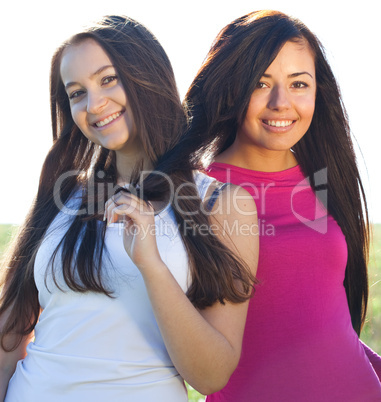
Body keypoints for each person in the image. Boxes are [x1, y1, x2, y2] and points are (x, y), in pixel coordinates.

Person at [0, 16, 259, 401]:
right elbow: (10, 331)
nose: (94, 104)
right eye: (76, 93)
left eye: (108, 79)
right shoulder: (63, 193)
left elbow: (211, 375)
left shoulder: (220, 203)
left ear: (147, 75)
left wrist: (152, 265)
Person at [184, 10, 381, 401]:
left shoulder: (325, 175)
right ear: (232, 88)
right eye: (261, 83)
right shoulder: (198, 194)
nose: (281, 103)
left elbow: (328, 323)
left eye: (298, 84)